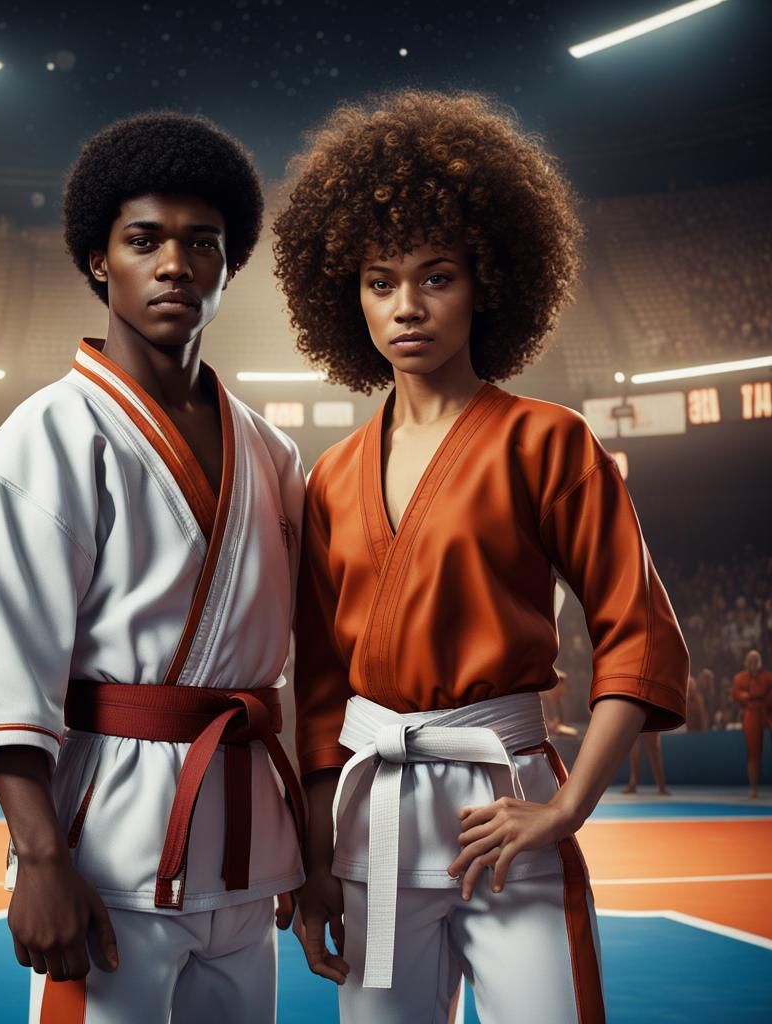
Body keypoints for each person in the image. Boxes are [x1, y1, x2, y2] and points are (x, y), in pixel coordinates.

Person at [272, 90, 689, 1023]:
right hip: (370, 821)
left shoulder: (550, 441)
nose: (406, 307)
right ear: (348, 295)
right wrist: (309, 862)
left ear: (488, 281)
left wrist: (567, 807)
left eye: (436, 276)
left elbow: (636, 631)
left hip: (508, 807)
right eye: (380, 281)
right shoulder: (331, 479)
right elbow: (320, 696)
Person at [0, 112, 306, 1024]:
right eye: (144, 241)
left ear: (230, 267)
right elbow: (6, 663)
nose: (175, 265)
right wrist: (39, 861)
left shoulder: (271, 452)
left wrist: (307, 847)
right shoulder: (46, 438)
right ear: (98, 260)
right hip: (108, 853)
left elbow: (295, 662)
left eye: (203, 244)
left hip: (244, 855)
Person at [731, 649, 772, 797]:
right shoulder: (739, 678)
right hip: (751, 713)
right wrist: (747, 696)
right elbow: (735, 694)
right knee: (753, 752)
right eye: (750, 660)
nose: (753, 663)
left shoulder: (767, 677)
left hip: (767, 712)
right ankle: (754, 788)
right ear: (746, 662)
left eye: (756, 660)